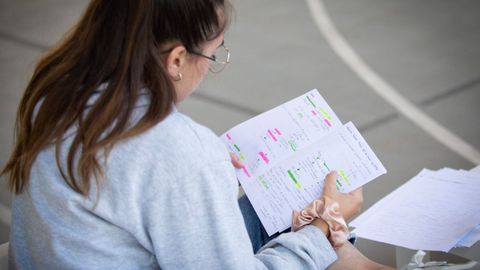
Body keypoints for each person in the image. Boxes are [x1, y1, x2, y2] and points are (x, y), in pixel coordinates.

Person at [2, 0, 391, 269]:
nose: (211, 66)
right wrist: (322, 230)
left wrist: (207, 175)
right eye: (214, 54)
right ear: (175, 59)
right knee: (315, 214)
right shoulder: (177, 150)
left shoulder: (58, 89)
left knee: (280, 206)